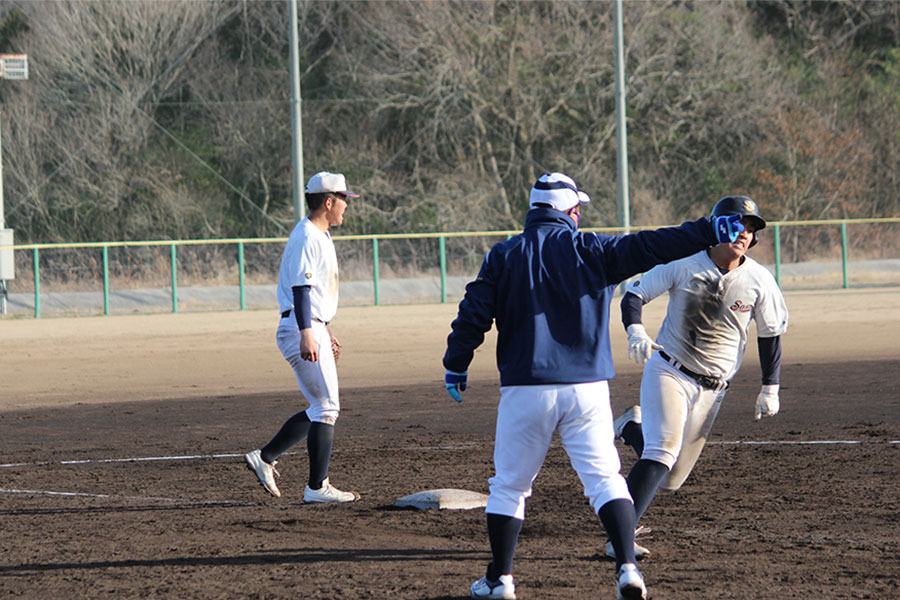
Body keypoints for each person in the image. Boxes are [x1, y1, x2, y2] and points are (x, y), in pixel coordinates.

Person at [442, 173, 746, 600]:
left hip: (526, 387)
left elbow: (474, 312)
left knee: (510, 487)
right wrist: (706, 229)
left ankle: (500, 581)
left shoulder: (504, 254)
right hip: (587, 389)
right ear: (572, 212)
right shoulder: (594, 249)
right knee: (605, 480)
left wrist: (456, 364)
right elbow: (651, 244)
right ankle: (627, 568)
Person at [610, 195, 789, 560]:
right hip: (669, 371)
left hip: (713, 389)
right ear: (717, 225)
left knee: (671, 479)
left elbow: (771, 332)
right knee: (662, 452)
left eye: (751, 227)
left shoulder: (759, 279)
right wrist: (636, 332)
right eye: (738, 223)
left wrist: (770, 388)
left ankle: (631, 427)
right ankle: (619, 540)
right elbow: (634, 294)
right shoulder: (684, 263)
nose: (744, 232)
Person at [244, 171, 360, 504]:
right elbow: (301, 289)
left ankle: (265, 458)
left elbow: (314, 293)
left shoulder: (318, 235)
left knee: (321, 406)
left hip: (310, 324)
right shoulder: (308, 236)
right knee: (326, 408)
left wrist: (324, 330)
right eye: (343, 201)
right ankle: (316, 487)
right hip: (300, 326)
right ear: (328, 202)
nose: (346, 207)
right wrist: (309, 333)